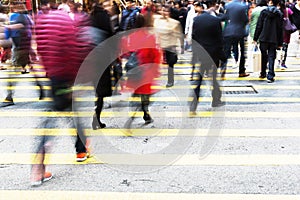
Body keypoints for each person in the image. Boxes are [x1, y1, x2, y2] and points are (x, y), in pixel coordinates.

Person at [31, 2, 91, 186]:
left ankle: (80, 149)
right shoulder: (68, 20)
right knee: (63, 117)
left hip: (54, 77)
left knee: (63, 115)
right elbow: (76, 49)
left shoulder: (41, 20)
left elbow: (38, 50)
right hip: (67, 77)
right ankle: (39, 170)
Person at [121, 14, 161, 125]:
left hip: (134, 70)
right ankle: (140, 115)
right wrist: (156, 70)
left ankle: (144, 114)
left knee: (137, 92)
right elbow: (155, 55)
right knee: (145, 94)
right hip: (146, 71)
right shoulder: (150, 37)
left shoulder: (131, 37)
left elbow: (127, 52)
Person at [190, 0, 226, 112]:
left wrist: (194, 56)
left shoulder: (197, 20)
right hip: (213, 54)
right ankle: (216, 100)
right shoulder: (216, 21)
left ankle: (193, 104)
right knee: (214, 78)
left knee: (199, 79)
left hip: (201, 54)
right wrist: (223, 57)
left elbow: (194, 38)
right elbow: (220, 40)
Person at [253, 0, 283, 83]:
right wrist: (280, 43)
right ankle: (270, 76)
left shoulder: (264, 12)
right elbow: (280, 29)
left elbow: (259, 25)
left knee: (263, 55)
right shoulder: (279, 14)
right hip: (274, 38)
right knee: (271, 56)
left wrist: (255, 38)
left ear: (270, 2)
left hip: (263, 37)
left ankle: (263, 73)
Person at [153, 4, 182, 88]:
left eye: (166, 11)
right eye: (163, 11)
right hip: (159, 45)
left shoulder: (175, 23)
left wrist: (181, 46)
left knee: (170, 64)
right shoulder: (157, 21)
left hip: (170, 45)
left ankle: (170, 80)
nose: (164, 13)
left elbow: (179, 35)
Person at [220, 0, 249, 79]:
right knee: (242, 52)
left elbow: (225, 17)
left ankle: (222, 70)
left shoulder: (228, 5)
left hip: (228, 31)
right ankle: (241, 71)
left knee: (226, 51)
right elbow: (246, 20)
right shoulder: (242, 6)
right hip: (240, 32)